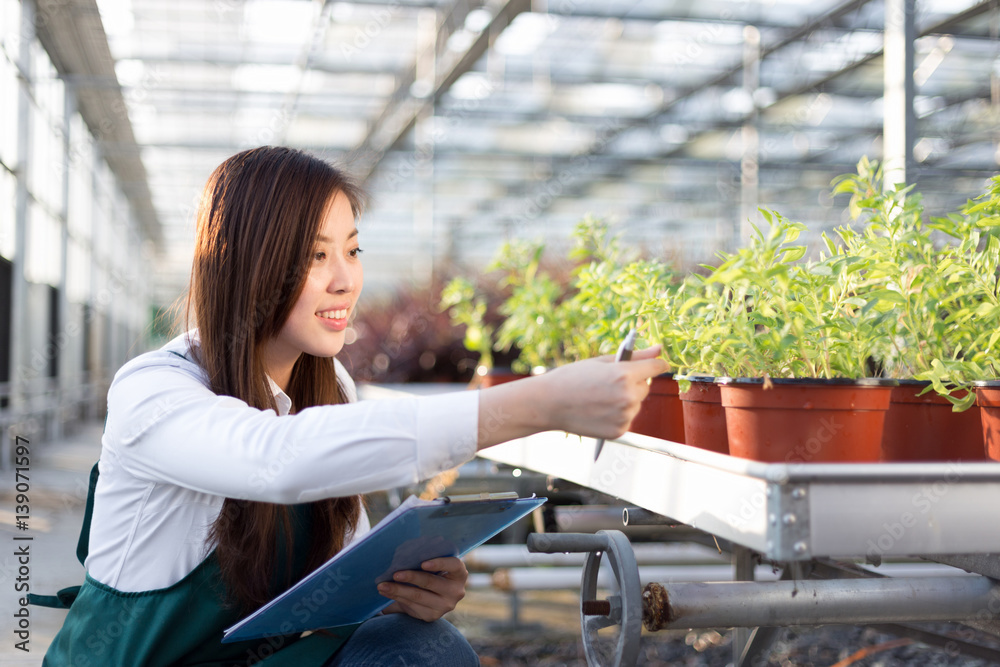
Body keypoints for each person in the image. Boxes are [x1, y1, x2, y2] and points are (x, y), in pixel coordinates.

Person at [38, 146, 667, 666]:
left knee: (422, 647)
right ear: (245, 266)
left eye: (353, 249)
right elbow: (278, 461)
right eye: (316, 255)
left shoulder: (327, 379)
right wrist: (536, 402)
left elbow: (340, 565)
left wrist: (397, 590)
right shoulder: (152, 390)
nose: (346, 279)